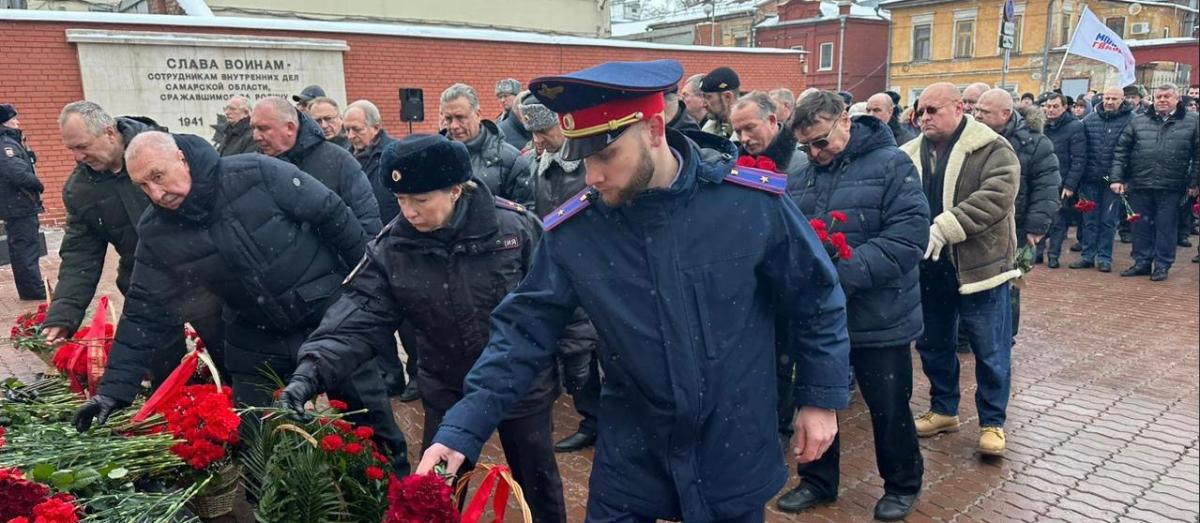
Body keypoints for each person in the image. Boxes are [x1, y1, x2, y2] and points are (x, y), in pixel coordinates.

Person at [411, 59, 852, 522]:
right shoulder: (577, 232)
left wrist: (820, 398)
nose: (592, 177)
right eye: (583, 159)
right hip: (634, 452)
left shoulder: (748, 205)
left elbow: (816, 298)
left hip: (732, 441)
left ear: (655, 128)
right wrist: (462, 428)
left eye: (606, 156)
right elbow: (522, 333)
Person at [70, 131, 410, 473]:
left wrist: (363, 295)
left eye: (158, 177)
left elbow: (334, 217)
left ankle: (396, 488)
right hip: (253, 333)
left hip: (323, 314)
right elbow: (144, 308)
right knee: (256, 439)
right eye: (143, 186)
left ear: (182, 159)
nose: (155, 194)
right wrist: (112, 392)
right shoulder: (157, 231)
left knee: (368, 419)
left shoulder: (256, 173)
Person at [280, 134, 568, 521]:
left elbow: (558, 300)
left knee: (538, 485)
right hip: (446, 383)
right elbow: (358, 315)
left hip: (521, 386)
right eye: (400, 200)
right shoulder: (393, 247)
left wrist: (575, 356)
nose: (409, 212)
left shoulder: (514, 229)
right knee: (434, 491)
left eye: (420, 200)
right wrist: (310, 371)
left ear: (455, 190)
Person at [778, 91, 928, 521]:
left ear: (846, 121)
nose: (814, 153)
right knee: (817, 396)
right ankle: (817, 480)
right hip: (821, 315)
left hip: (880, 315)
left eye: (821, 141)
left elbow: (908, 237)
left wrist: (839, 273)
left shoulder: (893, 164)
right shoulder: (805, 171)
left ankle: (902, 483)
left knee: (888, 406)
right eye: (806, 146)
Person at [46, 101, 224, 385]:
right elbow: (81, 255)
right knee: (166, 377)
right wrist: (64, 313)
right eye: (72, 149)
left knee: (233, 361)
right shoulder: (81, 190)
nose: (79, 157)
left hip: (207, 280)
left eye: (82, 146)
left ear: (108, 132)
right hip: (148, 288)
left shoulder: (169, 152)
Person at [899, 82, 1021, 457]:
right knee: (933, 343)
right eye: (920, 111)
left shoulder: (993, 148)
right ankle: (943, 409)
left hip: (981, 266)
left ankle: (992, 423)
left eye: (933, 110)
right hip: (931, 266)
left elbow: (997, 197)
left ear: (957, 108)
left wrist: (946, 225)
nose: (925, 118)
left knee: (990, 348)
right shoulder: (908, 153)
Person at [518, 94, 603, 453]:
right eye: (532, 132)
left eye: (544, 130)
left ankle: (601, 420)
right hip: (558, 265)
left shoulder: (589, 163)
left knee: (592, 350)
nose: (538, 140)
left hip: (594, 267)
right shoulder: (538, 163)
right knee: (572, 347)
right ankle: (593, 418)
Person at [342, 99, 418, 398]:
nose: (350, 136)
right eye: (346, 129)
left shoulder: (395, 155)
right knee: (378, 316)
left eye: (356, 129)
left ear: (375, 127)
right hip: (369, 250)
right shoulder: (347, 159)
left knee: (410, 323)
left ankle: (417, 375)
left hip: (402, 245)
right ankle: (390, 373)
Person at [974, 89, 1060, 341]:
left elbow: (1047, 188)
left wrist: (1036, 226)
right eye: (976, 110)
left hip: (1015, 225)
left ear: (1006, 114)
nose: (977, 116)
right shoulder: (972, 136)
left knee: (1009, 282)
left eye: (984, 112)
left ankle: (1005, 333)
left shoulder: (1035, 143)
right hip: (979, 222)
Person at [250, 96, 381, 235]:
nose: (255, 136)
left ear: (290, 127)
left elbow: (368, 224)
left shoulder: (340, 161)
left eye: (263, 128)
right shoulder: (254, 167)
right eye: (253, 128)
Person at [1110, 84, 1200, 281]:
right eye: (1158, 96)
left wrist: (1194, 182)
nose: (1162, 100)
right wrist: (1117, 178)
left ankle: (1162, 265)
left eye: (1167, 96)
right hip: (1140, 183)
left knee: (1166, 227)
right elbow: (1121, 151)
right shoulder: (1139, 121)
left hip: (1172, 185)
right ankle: (1142, 262)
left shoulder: (1192, 121)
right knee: (1140, 226)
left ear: (1177, 99)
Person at [1072, 87, 1135, 273]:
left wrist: (1126, 179)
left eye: (1114, 98)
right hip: (1089, 179)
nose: (1109, 102)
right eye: (1107, 98)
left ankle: (1105, 258)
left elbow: (1132, 153)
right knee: (1089, 220)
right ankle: (1087, 256)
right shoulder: (1089, 120)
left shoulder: (1132, 121)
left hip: (1114, 181)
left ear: (1122, 100)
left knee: (1108, 221)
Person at [438, 83, 533, 205]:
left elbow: (524, 216)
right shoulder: (435, 157)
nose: (454, 126)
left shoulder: (511, 160)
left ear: (477, 115)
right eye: (448, 119)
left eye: (460, 117)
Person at [0, 103, 46, 301]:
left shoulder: (11, 141)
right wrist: (38, 184)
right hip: (18, 205)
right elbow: (17, 173)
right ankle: (33, 292)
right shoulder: (5, 145)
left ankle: (31, 289)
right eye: (14, 119)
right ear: (5, 123)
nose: (18, 121)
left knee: (24, 248)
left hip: (18, 204)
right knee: (25, 249)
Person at [1040, 92, 1087, 268]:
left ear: (1064, 108)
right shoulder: (1041, 125)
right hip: (1042, 179)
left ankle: (1054, 255)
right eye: (1048, 106)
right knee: (1040, 217)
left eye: (1055, 107)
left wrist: (1070, 185)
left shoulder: (1075, 127)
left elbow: (1079, 159)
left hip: (1062, 180)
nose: (1050, 110)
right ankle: (1037, 253)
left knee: (1058, 221)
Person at [731, 92, 807, 176]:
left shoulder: (805, 160)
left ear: (772, 121)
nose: (744, 138)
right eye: (738, 132)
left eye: (750, 128)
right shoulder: (730, 163)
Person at [700, 66, 741, 140]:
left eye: (708, 97)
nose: (704, 105)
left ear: (727, 97)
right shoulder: (708, 129)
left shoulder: (747, 133)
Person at [495, 78, 532, 151]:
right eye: (500, 97)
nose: (502, 100)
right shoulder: (499, 121)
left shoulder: (527, 116)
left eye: (506, 96)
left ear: (517, 95)